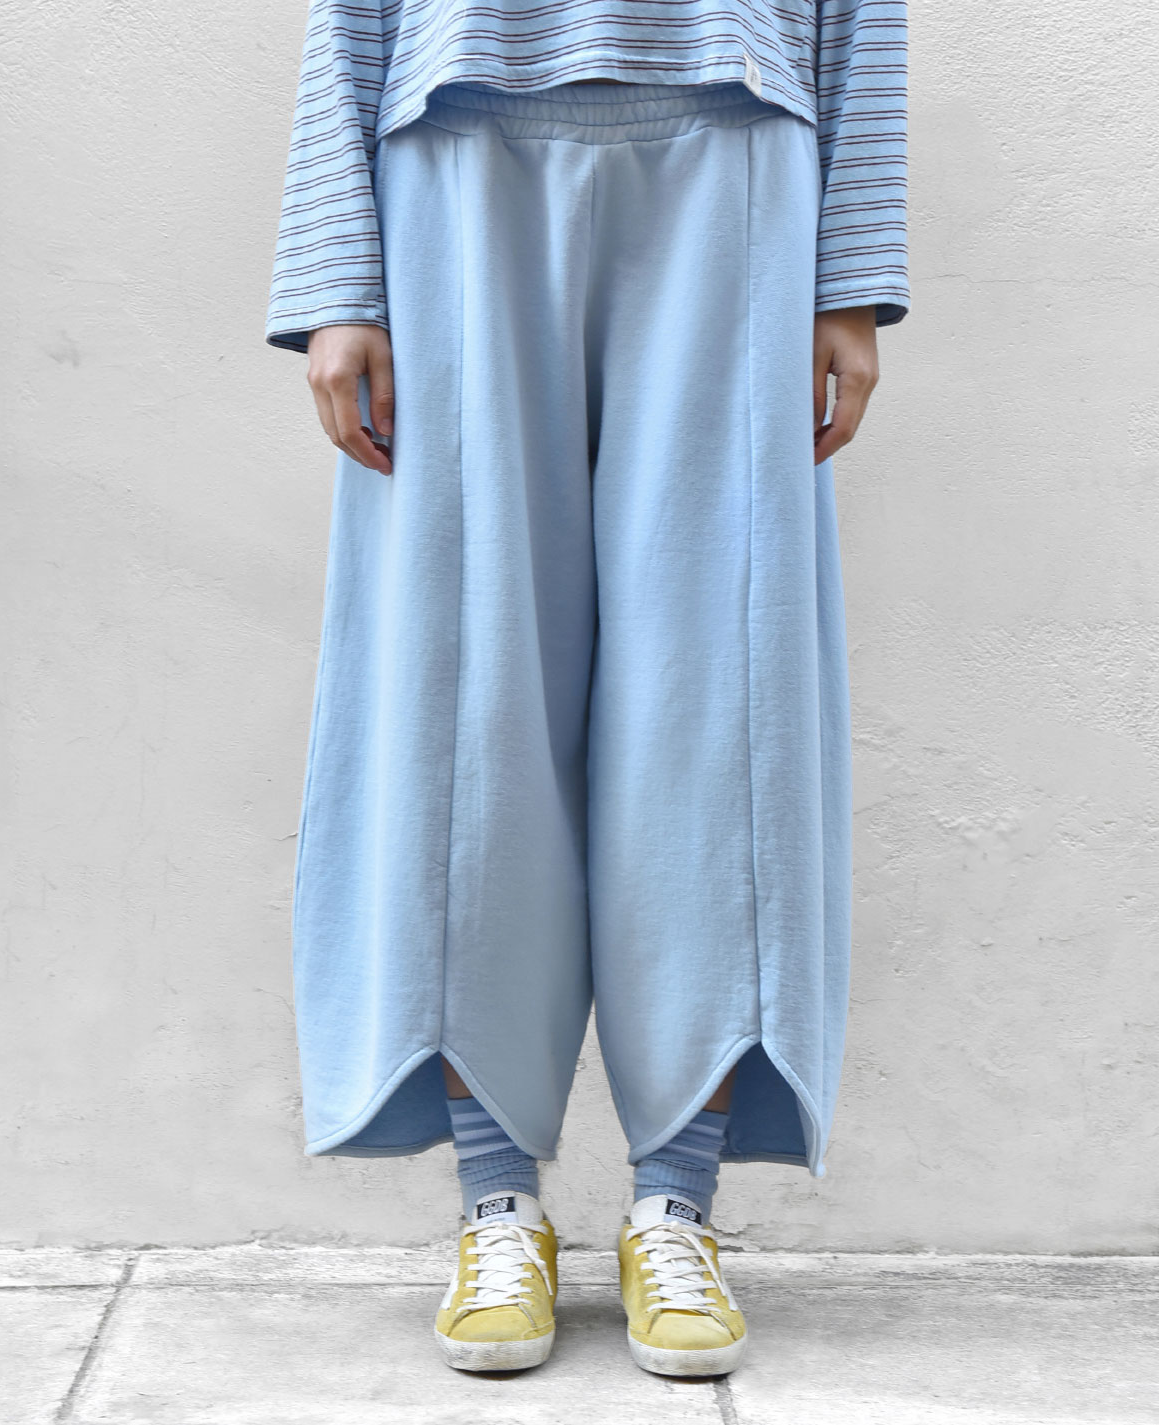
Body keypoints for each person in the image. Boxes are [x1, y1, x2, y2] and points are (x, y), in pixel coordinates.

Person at [265, 0, 909, 1380]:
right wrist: (337, 281)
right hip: (456, 153)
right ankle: (497, 1202)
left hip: (736, 147)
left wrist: (850, 276)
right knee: (463, 697)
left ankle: (677, 1203)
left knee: (722, 704)